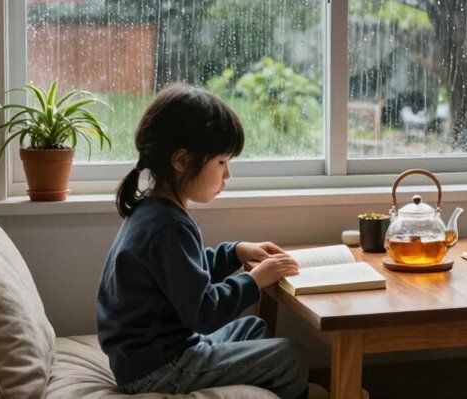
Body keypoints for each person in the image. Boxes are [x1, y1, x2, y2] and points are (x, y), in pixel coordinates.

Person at [97, 84, 309, 398]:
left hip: (158, 354)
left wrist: (235, 253)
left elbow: (184, 274)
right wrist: (254, 280)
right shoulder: (167, 225)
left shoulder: (155, 212)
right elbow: (204, 313)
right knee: (288, 356)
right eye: (222, 162)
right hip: (158, 368)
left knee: (253, 329)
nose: (228, 175)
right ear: (181, 161)